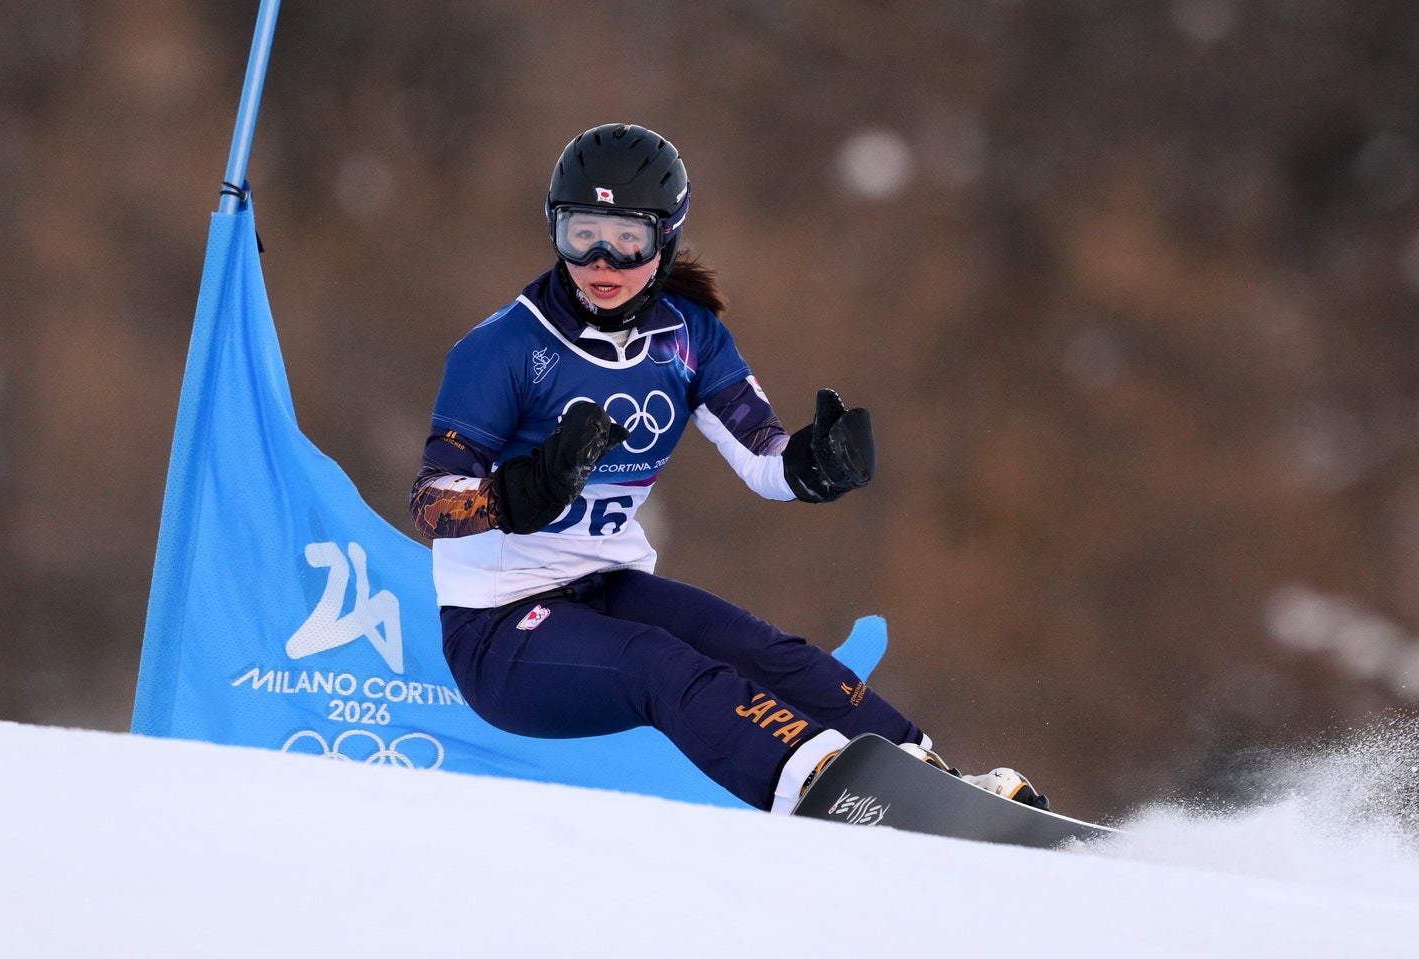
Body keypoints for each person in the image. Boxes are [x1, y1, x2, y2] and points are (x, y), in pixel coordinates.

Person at [410, 122, 1045, 814]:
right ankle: (822, 786)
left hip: (605, 586)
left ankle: (928, 775)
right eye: (581, 232)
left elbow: (762, 455)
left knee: (761, 649)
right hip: (499, 629)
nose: (601, 260)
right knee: (661, 666)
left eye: (628, 240)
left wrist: (812, 466)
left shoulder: (686, 337)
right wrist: (518, 493)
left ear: (667, 238)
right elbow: (431, 501)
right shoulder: (503, 347)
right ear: (555, 228)